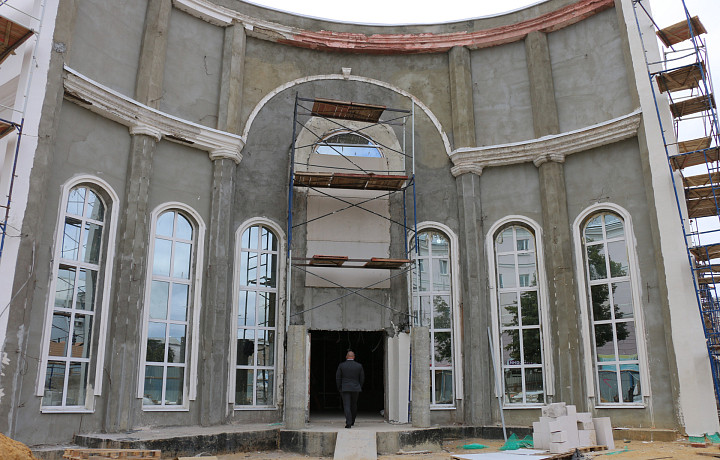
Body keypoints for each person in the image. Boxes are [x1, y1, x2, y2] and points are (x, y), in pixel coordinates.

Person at [336, 350, 364, 429]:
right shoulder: (359, 366)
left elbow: (338, 378)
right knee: (354, 404)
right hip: (356, 388)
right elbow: (362, 378)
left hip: (345, 388)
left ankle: (348, 423)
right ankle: (352, 421)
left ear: (346, 357)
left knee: (347, 405)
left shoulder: (342, 365)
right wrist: (359, 386)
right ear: (354, 357)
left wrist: (339, 387)